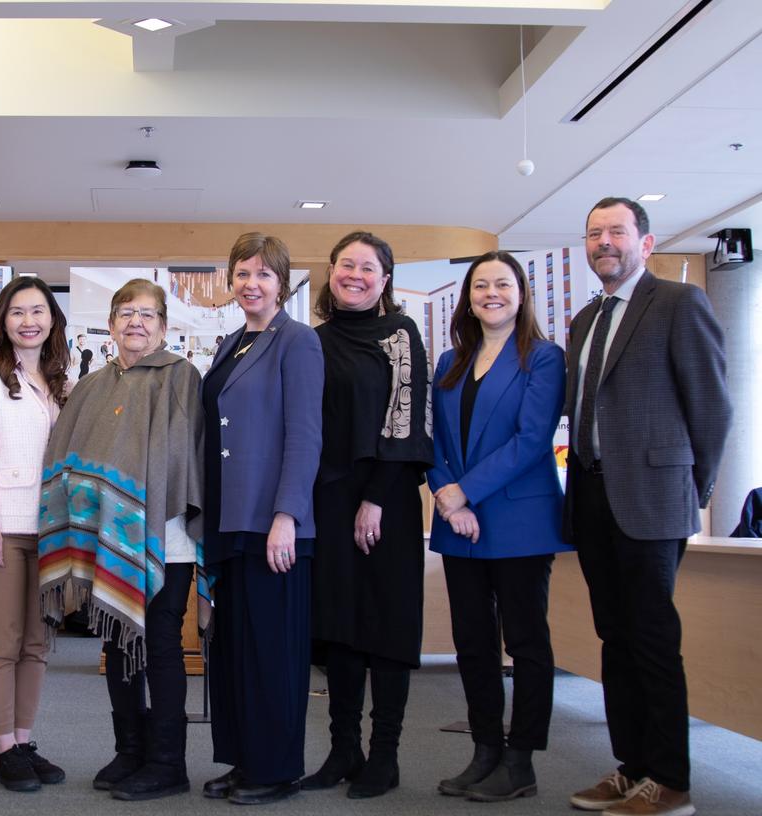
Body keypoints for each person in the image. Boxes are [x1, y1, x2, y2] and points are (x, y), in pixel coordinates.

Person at [565, 198, 730, 816]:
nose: (604, 241)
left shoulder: (678, 304)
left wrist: (693, 490)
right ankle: (632, 768)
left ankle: (671, 782)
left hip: (653, 500)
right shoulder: (584, 320)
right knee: (614, 639)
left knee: (653, 640)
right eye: (594, 234)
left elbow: (712, 408)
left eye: (616, 232)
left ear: (646, 241)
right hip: (592, 496)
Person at [39, 279, 205, 802]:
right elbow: (68, 453)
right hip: (106, 544)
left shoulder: (181, 377)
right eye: (127, 312)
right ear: (111, 325)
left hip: (166, 541)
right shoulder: (92, 385)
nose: (137, 322)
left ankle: (167, 761)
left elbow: (181, 453)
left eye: (148, 314)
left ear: (163, 326)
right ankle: (129, 749)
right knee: (115, 641)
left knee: (159, 646)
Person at [428, 251, 569, 802]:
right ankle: (485, 751)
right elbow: (433, 438)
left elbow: (532, 441)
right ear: (468, 296)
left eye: (502, 284)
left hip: (520, 521)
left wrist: (467, 491)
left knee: (527, 643)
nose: (491, 292)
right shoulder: (448, 362)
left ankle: (521, 761)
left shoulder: (544, 358)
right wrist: (446, 493)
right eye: (480, 284)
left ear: (520, 294)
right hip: (457, 521)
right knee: (473, 644)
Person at [305, 231, 432, 799]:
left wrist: (375, 499)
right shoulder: (313, 340)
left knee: (386, 624)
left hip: (388, 495)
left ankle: (385, 755)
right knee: (339, 627)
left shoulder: (401, 335)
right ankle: (342, 749)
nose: (354, 274)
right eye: (345, 265)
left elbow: (408, 419)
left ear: (385, 280)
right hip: (327, 499)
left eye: (367, 267)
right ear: (331, 273)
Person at [199, 234, 323, 805]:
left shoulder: (297, 343)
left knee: (272, 650)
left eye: (264, 274)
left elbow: (304, 435)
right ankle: (245, 760)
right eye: (242, 272)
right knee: (235, 652)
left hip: (270, 522)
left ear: (283, 282)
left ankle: (276, 770)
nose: (252, 283)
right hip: (228, 521)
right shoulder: (231, 344)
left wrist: (287, 516)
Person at [0, 277, 70, 792]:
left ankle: (25, 742)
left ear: (52, 319)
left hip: (48, 531)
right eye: (18, 312)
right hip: (1, 529)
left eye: (38, 311)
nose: (29, 321)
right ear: (3, 321)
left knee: (37, 643)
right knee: (1, 643)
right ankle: (5, 749)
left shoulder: (59, 379)